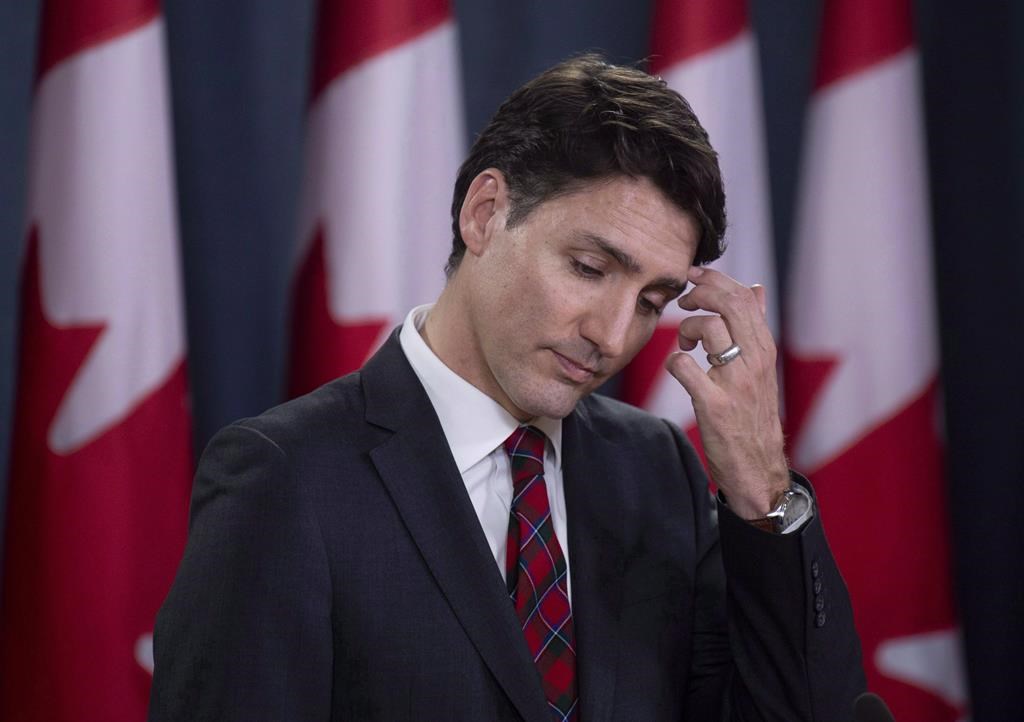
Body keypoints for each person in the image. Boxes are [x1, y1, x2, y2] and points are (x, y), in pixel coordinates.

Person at [148, 53, 865, 721]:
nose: (613, 336)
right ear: (485, 213)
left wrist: (762, 490)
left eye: (652, 302)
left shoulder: (657, 470)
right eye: (589, 268)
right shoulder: (287, 478)